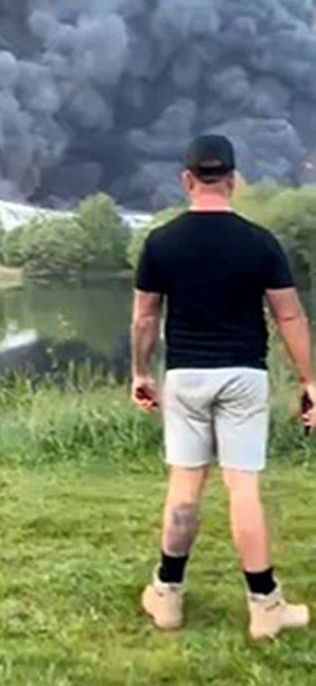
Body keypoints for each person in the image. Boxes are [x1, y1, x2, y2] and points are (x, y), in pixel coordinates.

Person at [130, 134, 315, 640]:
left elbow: (145, 318)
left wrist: (140, 373)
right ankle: (265, 607)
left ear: (187, 180)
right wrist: (310, 380)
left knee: (185, 485)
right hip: (243, 376)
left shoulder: (161, 242)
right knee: (243, 488)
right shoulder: (260, 242)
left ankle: (167, 597)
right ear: (232, 181)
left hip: (185, 376)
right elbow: (290, 315)